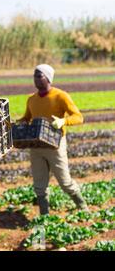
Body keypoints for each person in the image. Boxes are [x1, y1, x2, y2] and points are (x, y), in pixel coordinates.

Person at [18, 64, 87, 215]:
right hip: (36, 146)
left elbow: (78, 117)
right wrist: (19, 122)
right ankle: (45, 214)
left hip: (55, 145)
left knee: (65, 182)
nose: (35, 79)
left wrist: (63, 121)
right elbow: (27, 118)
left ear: (48, 78)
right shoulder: (32, 99)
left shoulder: (61, 96)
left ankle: (83, 208)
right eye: (34, 76)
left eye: (39, 75)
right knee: (39, 184)